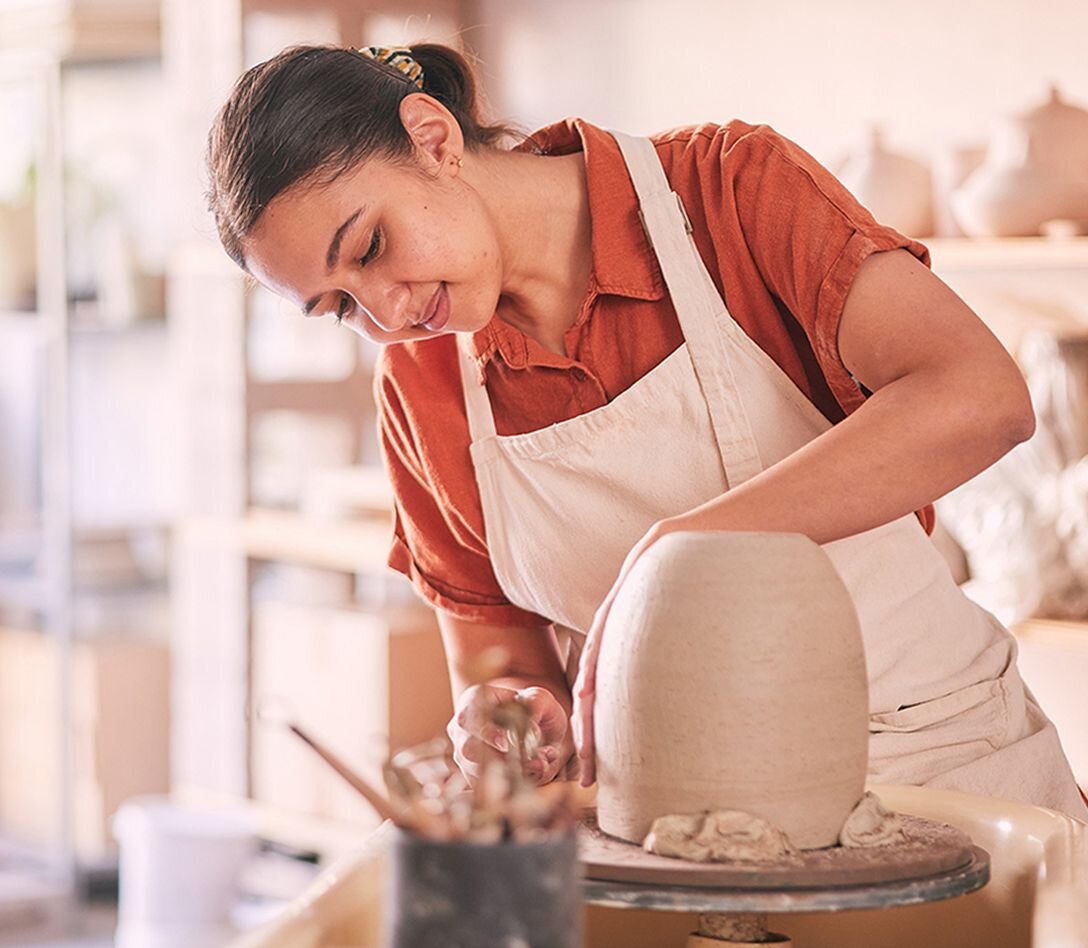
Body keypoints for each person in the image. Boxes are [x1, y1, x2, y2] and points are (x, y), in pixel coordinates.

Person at [206, 43, 1088, 819]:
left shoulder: (726, 191)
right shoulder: (423, 387)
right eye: (339, 308)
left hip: (947, 773)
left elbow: (980, 396)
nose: (388, 312)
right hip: (682, 835)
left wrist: (689, 547)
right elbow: (500, 667)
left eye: (367, 248)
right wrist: (514, 722)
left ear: (432, 137)